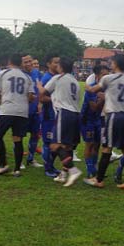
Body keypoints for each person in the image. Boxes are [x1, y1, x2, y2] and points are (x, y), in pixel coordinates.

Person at [83, 54, 124, 189]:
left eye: (111, 62)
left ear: (115, 64)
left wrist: (86, 86)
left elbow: (92, 89)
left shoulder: (108, 78)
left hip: (114, 115)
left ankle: (99, 179)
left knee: (107, 147)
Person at [37, 57, 83, 187]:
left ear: (61, 67)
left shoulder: (57, 78)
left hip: (64, 113)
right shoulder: (75, 81)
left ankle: (73, 171)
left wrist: (38, 85)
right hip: (75, 114)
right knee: (67, 147)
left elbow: (43, 92)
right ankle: (63, 175)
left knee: (54, 145)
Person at [0, 53, 36, 176]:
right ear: (20, 63)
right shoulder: (27, 77)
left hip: (7, 110)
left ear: (9, 61)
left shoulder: (2, 73)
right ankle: (17, 169)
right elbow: (31, 97)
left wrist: (0, 98)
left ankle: (3, 164)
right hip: (22, 111)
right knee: (17, 139)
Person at [81, 64, 109, 178]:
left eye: (108, 75)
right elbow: (94, 107)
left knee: (97, 144)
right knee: (90, 144)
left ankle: (94, 167)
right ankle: (90, 170)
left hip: (98, 120)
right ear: (97, 76)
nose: (106, 77)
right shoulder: (92, 88)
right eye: (103, 75)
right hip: (88, 120)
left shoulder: (107, 90)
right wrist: (104, 99)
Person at [40, 54, 61, 178]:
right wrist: (57, 99)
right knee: (48, 143)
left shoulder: (58, 77)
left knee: (56, 141)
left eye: (59, 62)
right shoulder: (47, 78)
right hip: (49, 115)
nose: (57, 65)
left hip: (57, 114)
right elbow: (42, 97)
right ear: (48, 64)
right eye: (55, 62)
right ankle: (47, 168)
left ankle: (51, 165)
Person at [22, 55, 43, 169]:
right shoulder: (19, 74)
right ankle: (19, 160)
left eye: (30, 61)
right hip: (22, 110)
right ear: (21, 63)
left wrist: (40, 103)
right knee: (18, 136)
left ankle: (31, 158)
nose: (29, 63)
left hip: (35, 110)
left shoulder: (37, 73)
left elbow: (40, 89)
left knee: (35, 135)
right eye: (26, 62)